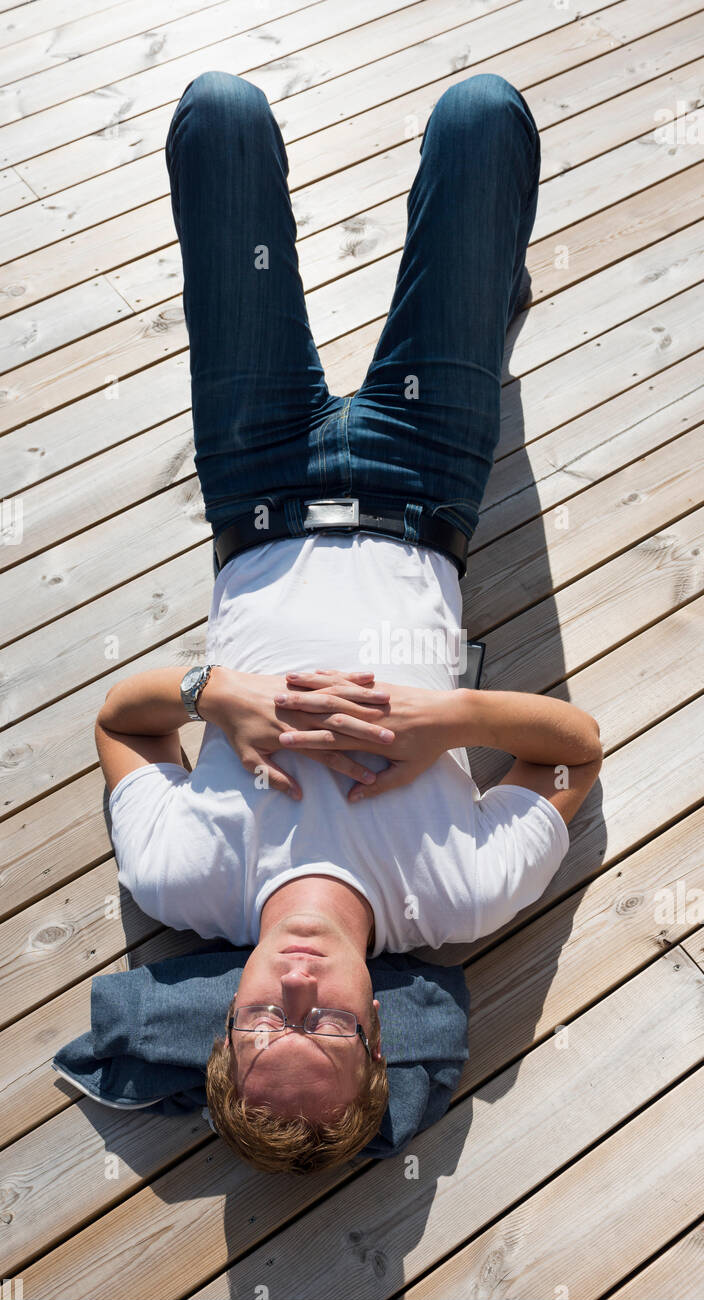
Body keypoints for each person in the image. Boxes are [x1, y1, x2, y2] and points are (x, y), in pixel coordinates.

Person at [94, 70, 603, 1175]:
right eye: (328, 1027)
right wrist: (447, 720)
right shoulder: (456, 893)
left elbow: (122, 727)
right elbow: (575, 754)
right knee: (483, 116)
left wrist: (211, 697)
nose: (294, 990)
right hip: (423, 483)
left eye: (261, 1023)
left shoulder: (185, 879)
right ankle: (479, 285)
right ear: (382, 1026)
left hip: (256, 475)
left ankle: (470, 289)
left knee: (217, 115)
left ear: (222, 1016)